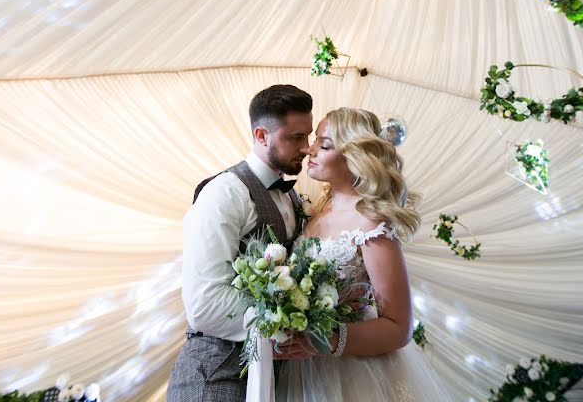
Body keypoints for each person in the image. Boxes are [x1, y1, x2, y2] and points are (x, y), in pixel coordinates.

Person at [273, 107, 453, 401]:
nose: (309, 149)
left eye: (325, 144)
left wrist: (327, 340)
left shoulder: (371, 224)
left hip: (353, 373)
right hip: (304, 371)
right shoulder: (317, 209)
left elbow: (399, 328)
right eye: (315, 140)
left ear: (354, 157)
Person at [167, 84, 314, 402]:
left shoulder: (290, 195)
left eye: (309, 136)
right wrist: (284, 323)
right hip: (215, 376)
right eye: (296, 137)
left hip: (269, 378)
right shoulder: (224, 194)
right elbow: (204, 304)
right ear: (262, 136)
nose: (307, 148)